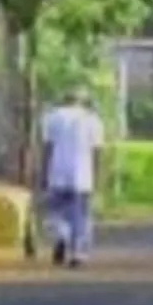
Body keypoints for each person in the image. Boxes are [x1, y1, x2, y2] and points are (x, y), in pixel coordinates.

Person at [41, 86, 104, 267]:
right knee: (81, 215)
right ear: (82, 102)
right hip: (83, 174)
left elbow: (47, 148)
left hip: (57, 171)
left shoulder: (52, 117)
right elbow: (97, 151)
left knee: (56, 211)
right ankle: (77, 253)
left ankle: (61, 236)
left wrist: (44, 173)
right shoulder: (92, 120)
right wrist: (97, 176)